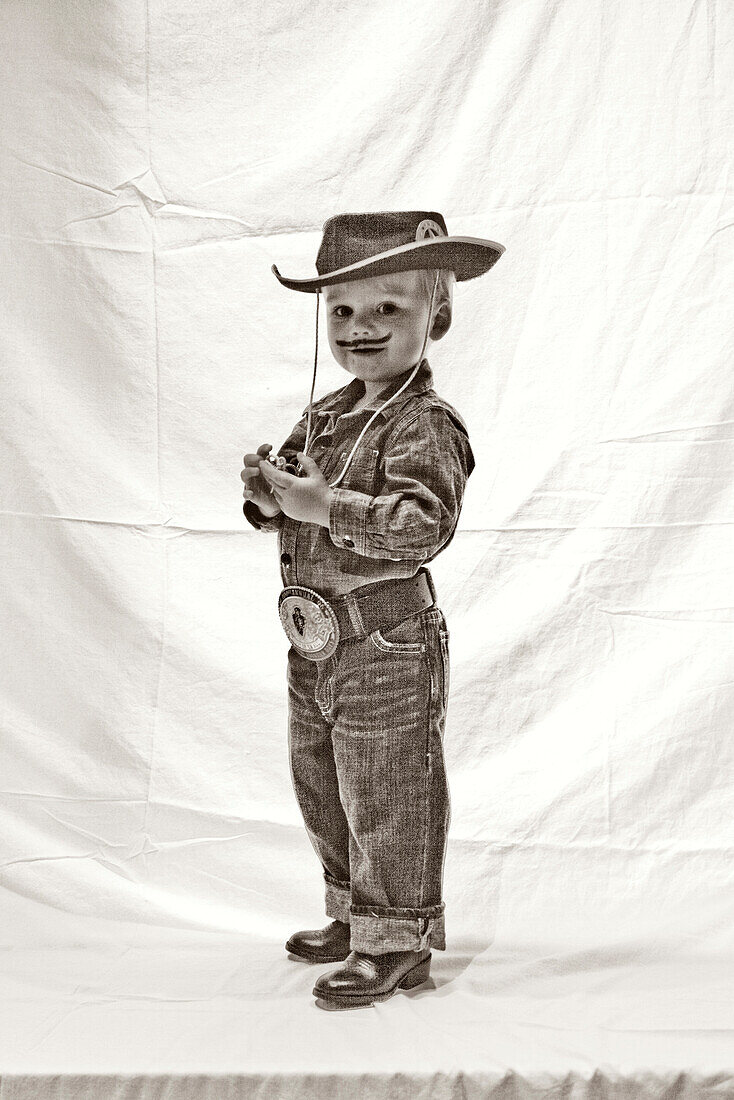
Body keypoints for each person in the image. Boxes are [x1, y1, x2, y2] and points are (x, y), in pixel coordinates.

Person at [241, 211, 504, 1007]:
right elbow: (291, 504)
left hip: (387, 640)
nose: (361, 328)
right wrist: (267, 497)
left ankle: (400, 939)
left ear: (438, 316)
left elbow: (424, 528)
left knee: (389, 788)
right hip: (315, 642)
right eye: (343, 311)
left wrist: (325, 507)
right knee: (323, 781)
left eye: (389, 308)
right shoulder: (324, 414)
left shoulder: (426, 423)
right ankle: (356, 913)